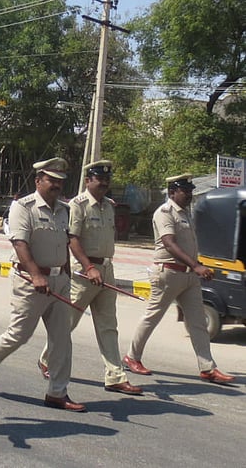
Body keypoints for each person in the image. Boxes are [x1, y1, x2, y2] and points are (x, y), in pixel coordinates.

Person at [0, 157, 86, 412]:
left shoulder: (64, 210)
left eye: (60, 181)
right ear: (38, 181)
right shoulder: (22, 207)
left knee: (61, 338)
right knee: (19, 334)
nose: (57, 185)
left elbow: (64, 243)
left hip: (59, 281)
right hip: (30, 281)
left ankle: (57, 392)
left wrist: (67, 272)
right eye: (51, 180)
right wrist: (37, 275)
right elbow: (20, 243)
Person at [37, 161, 143, 395]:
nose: (104, 183)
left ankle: (115, 376)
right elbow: (72, 238)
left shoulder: (109, 206)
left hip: (106, 271)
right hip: (84, 274)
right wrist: (88, 267)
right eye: (99, 179)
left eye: (107, 180)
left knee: (108, 326)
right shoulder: (78, 205)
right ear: (88, 180)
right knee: (67, 323)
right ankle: (46, 358)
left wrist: (101, 269)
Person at [124, 174, 235, 384]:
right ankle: (132, 357)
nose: (189, 195)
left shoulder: (186, 214)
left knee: (198, 322)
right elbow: (169, 243)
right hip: (169, 273)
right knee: (152, 317)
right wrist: (196, 266)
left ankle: (207, 368)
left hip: (189, 276)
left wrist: (197, 265)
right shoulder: (165, 212)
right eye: (185, 191)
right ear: (173, 191)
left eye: (191, 191)